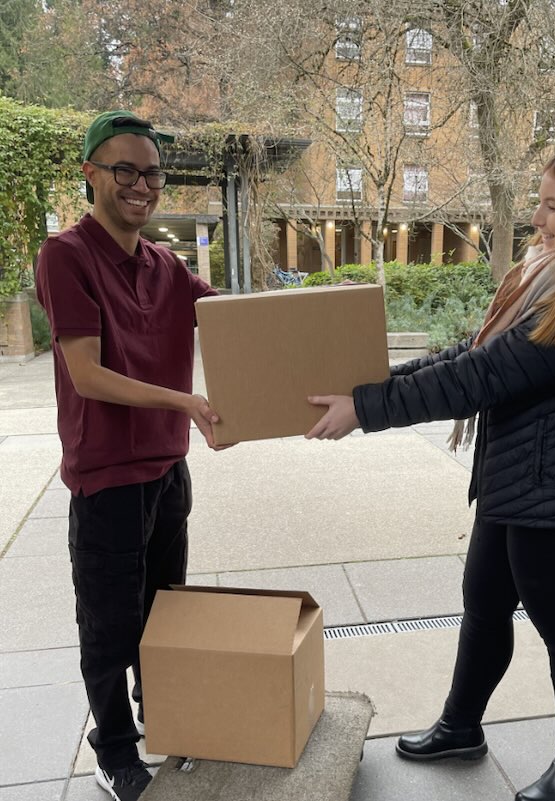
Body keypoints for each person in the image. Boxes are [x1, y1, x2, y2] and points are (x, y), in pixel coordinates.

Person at [305, 142, 555, 801]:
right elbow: (471, 351)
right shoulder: (554, 274)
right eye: (540, 202)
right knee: (486, 603)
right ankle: (462, 725)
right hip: (518, 480)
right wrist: (371, 383)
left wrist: (368, 408)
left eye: (553, 206)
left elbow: (483, 377)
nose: (538, 217)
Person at [36, 111, 225, 801]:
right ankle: (113, 748)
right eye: (125, 170)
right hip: (108, 476)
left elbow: (231, 320)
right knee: (109, 620)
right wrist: (186, 404)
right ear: (91, 174)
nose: (141, 185)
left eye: (150, 172)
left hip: (167, 470)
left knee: (163, 609)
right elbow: (86, 374)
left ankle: (165, 714)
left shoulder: (164, 263)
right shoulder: (66, 255)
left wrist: (304, 334)